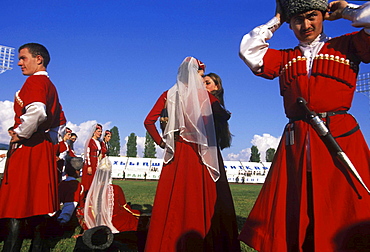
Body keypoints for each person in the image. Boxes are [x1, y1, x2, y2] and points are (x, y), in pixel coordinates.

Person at [238, 0, 370, 251]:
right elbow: (249, 51)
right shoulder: (284, 57)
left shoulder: (348, 45)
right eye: (297, 19)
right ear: (290, 24)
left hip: (340, 138)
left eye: (312, 16)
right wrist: (277, 19)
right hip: (297, 143)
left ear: (323, 16)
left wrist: (346, 11)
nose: (306, 24)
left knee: (345, 204)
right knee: (298, 206)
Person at [144, 57, 240, 252]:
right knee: (201, 199)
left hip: (177, 152)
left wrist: (162, 142)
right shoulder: (202, 96)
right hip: (199, 153)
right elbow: (223, 114)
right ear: (195, 74)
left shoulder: (168, 94)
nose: (201, 79)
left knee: (174, 199)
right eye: (201, 75)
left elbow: (148, 121)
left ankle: (166, 241)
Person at [0, 43, 67, 251]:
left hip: (28, 148)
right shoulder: (51, 86)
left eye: (23, 58)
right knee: (38, 204)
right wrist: (48, 143)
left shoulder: (34, 81)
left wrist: (20, 134)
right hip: (43, 149)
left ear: (39, 59)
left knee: (16, 202)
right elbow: (60, 125)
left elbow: (37, 112)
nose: (19, 63)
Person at [83, 157, 141, 233]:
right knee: (130, 219)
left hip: (97, 220)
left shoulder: (93, 190)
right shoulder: (116, 189)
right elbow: (124, 206)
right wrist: (136, 213)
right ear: (109, 174)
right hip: (114, 220)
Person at [203, 73, 232, 150]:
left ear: (217, 87)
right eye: (201, 84)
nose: (203, 86)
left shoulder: (213, 102)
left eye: (207, 83)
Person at [81, 124, 105, 194]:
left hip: (96, 162)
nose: (100, 133)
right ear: (94, 132)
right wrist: (89, 166)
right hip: (91, 162)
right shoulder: (90, 141)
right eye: (98, 131)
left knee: (96, 180)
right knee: (89, 180)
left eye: (101, 131)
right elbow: (87, 154)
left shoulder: (99, 142)